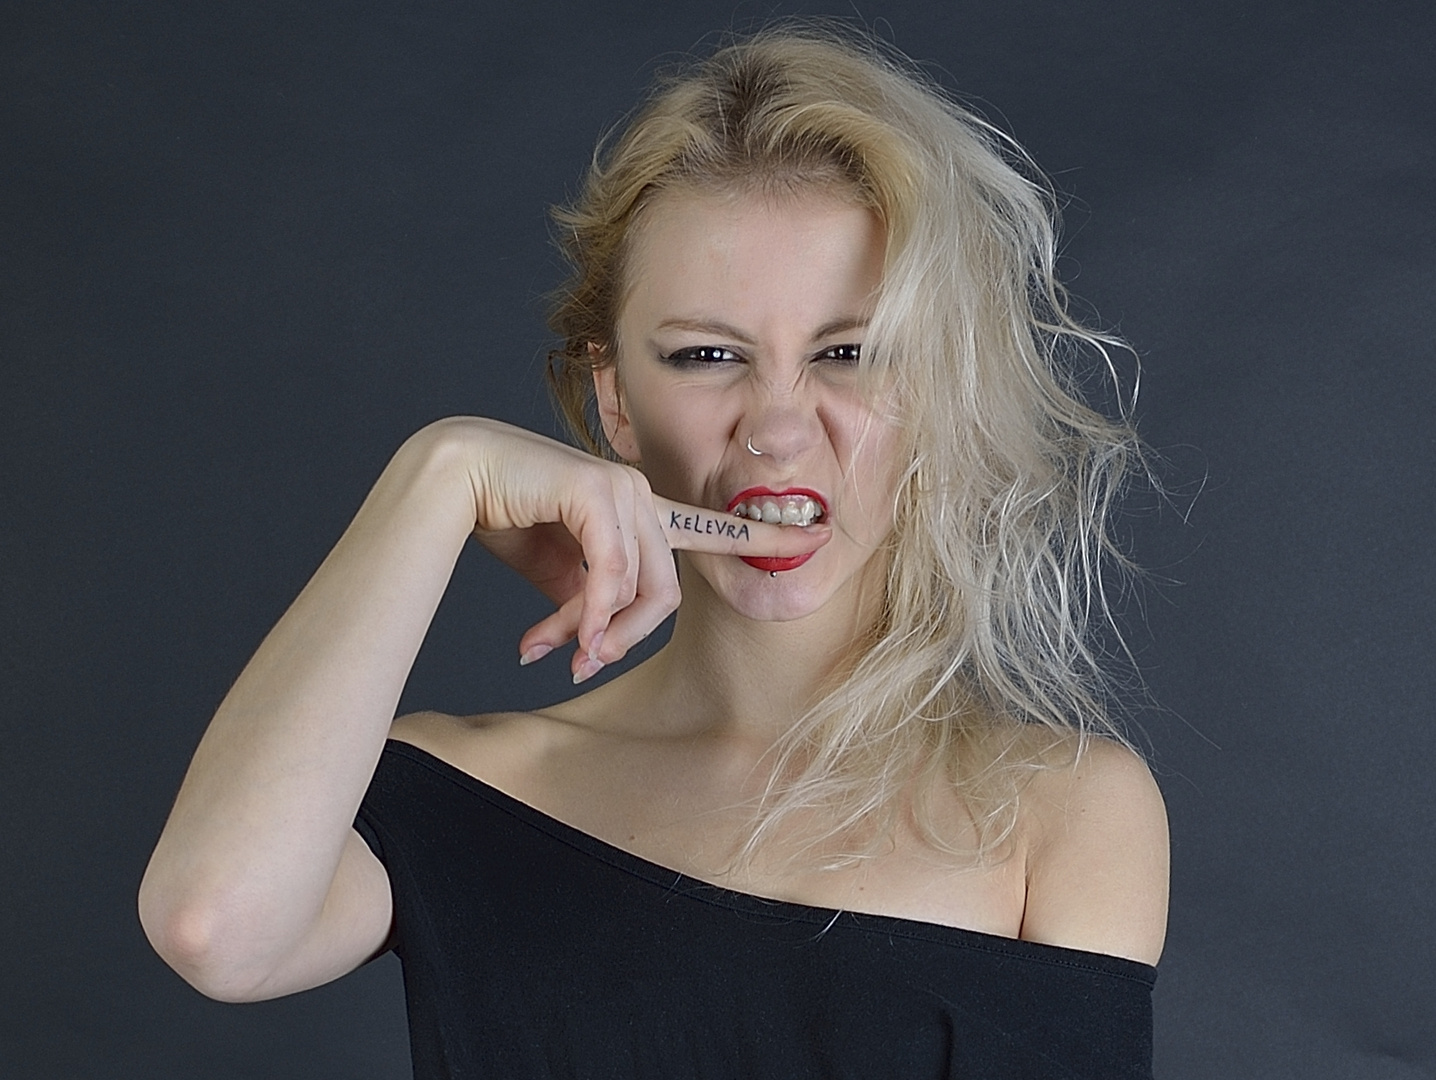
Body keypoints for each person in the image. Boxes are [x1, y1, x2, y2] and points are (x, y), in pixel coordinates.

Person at [139, 24, 1168, 1079]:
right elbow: (214, 927)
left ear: (941, 391)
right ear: (615, 401)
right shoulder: (468, 789)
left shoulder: (1055, 809)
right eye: (707, 355)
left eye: (849, 353)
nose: (774, 429)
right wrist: (435, 475)